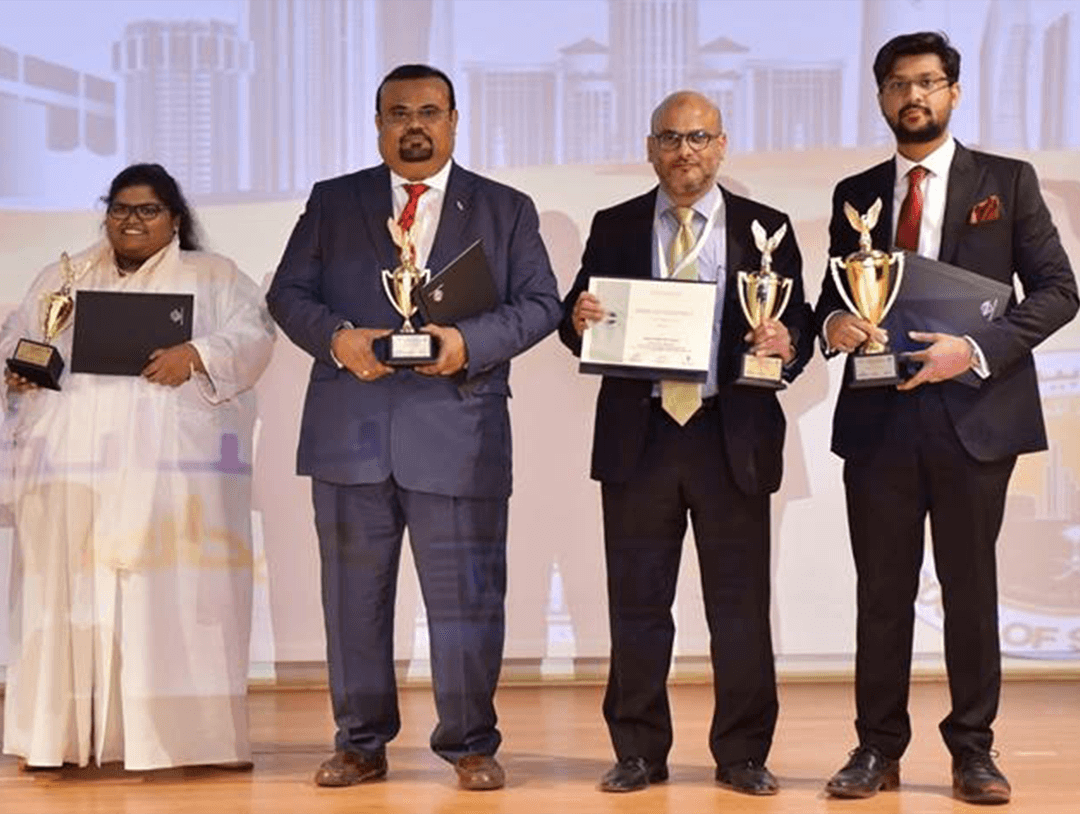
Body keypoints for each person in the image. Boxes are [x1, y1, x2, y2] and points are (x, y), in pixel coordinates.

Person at [266, 64, 560, 791]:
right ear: (378, 124)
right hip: (350, 435)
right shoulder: (334, 203)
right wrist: (339, 340)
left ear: (455, 120)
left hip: (459, 436)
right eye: (398, 113)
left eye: (429, 111)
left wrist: (468, 343)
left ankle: (469, 743)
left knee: (466, 601)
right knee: (353, 604)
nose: (414, 125)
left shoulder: (505, 208)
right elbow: (288, 293)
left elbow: (541, 304)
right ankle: (360, 744)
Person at [816, 32, 1076, 806]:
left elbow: (1059, 291)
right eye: (898, 84)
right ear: (881, 97)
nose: (913, 97)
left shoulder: (1008, 181)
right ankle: (875, 749)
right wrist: (834, 325)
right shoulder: (855, 192)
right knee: (882, 593)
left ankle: (973, 752)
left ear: (954, 92)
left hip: (974, 416)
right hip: (880, 422)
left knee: (969, 589)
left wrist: (976, 349)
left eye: (928, 82)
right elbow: (839, 295)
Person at [558, 91, 813, 797]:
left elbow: (802, 321)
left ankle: (743, 756)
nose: (684, 152)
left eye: (698, 137)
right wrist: (577, 317)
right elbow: (578, 317)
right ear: (651, 148)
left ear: (722, 145)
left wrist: (787, 343)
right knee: (637, 605)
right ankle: (638, 751)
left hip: (728, 435)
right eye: (670, 138)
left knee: (739, 608)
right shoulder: (614, 225)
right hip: (640, 437)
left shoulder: (767, 226)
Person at [0, 163, 275, 770]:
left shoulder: (213, 276)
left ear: (175, 218)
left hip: (168, 480)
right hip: (71, 478)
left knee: (164, 603)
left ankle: (180, 741)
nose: (131, 221)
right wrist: (16, 367)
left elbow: (254, 333)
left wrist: (196, 353)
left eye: (147, 210)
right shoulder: (63, 277)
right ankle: (58, 737)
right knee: (66, 603)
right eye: (120, 208)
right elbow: (14, 337)